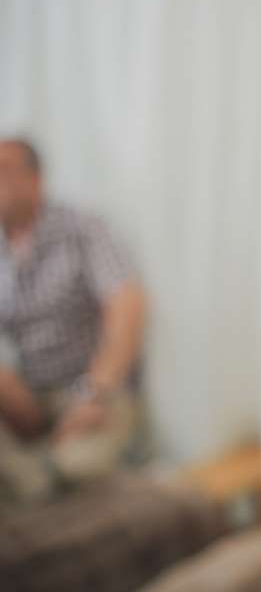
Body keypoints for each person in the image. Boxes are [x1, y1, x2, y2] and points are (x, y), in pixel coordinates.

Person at [0, 137, 145, 506]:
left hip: (89, 391)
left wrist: (95, 392)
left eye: (3, 170)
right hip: (29, 402)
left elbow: (126, 305)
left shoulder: (82, 230)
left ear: (35, 178)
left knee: (76, 471)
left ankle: (42, 481)